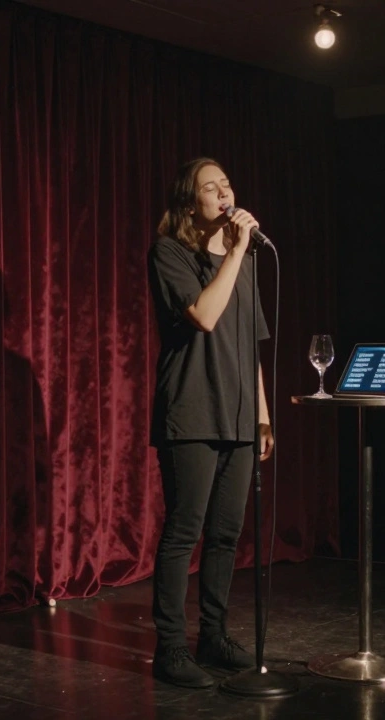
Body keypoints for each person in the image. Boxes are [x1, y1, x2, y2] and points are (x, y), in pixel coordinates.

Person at [146, 157, 274, 688]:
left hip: (240, 415)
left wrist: (263, 418)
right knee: (184, 532)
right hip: (192, 412)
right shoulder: (170, 252)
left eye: (228, 183)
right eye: (210, 187)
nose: (224, 193)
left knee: (226, 535)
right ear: (188, 201)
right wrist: (236, 251)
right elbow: (204, 315)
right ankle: (171, 649)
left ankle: (214, 637)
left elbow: (249, 345)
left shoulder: (241, 262)